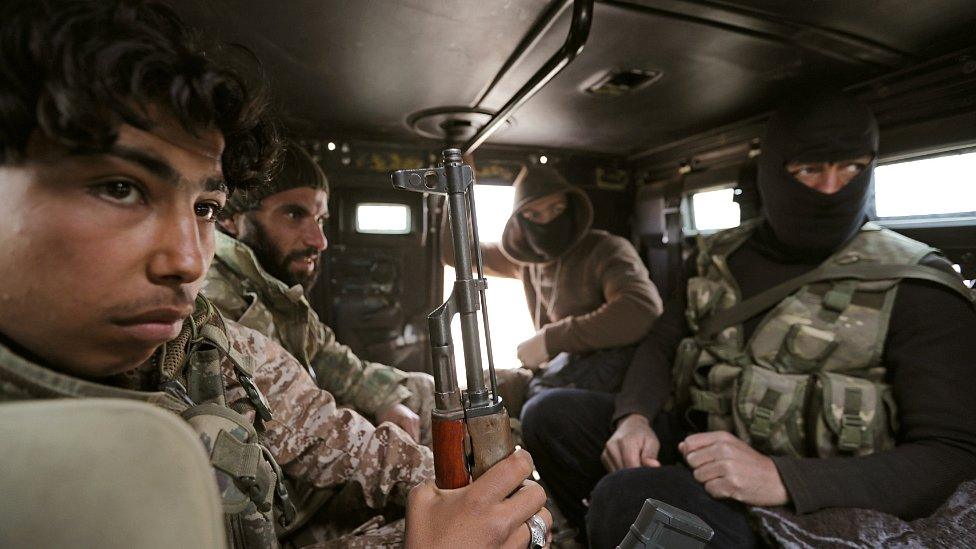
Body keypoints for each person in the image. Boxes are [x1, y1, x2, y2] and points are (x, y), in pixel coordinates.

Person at [0, 1, 549, 547]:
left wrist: (480, 497)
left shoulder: (205, 342)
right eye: (119, 189)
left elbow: (332, 433)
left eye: (203, 208)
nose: (187, 261)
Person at [521, 91, 976, 547]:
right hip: (701, 437)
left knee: (626, 498)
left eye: (852, 168)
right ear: (773, 173)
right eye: (810, 169)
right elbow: (661, 343)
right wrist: (634, 417)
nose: (831, 188)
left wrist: (783, 478)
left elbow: (953, 455)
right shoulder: (715, 257)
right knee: (548, 413)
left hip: (808, 491)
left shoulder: (916, 283)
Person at [203, 142, 434, 447]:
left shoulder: (274, 288)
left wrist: (387, 399)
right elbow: (283, 424)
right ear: (231, 219)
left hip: (306, 430)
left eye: (320, 219)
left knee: (426, 391)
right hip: (276, 463)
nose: (319, 240)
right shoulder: (214, 299)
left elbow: (327, 358)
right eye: (294, 215)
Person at [443, 165, 662, 414]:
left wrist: (550, 339)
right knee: (472, 394)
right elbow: (454, 254)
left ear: (571, 208)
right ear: (520, 221)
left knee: (539, 410)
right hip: (554, 374)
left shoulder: (605, 250)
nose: (546, 221)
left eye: (556, 209)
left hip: (606, 384)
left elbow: (640, 309)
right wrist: (459, 186)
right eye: (534, 215)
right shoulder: (524, 260)